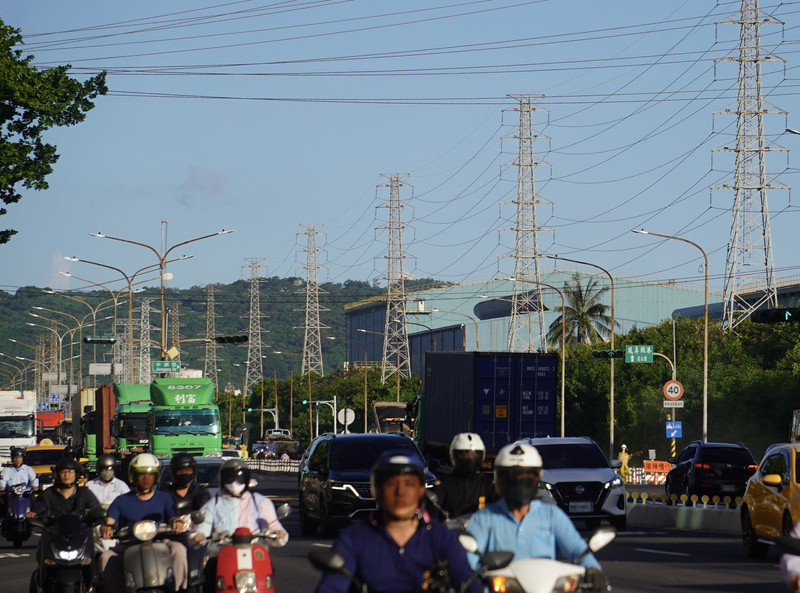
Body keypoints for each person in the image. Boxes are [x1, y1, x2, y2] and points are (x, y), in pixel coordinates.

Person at [315, 451, 482, 593]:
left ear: (421, 490)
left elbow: (469, 585)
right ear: (376, 489)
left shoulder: (442, 538)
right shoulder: (353, 539)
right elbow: (332, 586)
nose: (400, 492)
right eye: (390, 484)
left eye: (409, 484)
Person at [467, 442, 607, 590]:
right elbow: (468, 561)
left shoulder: (551, 515)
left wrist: (593, 569)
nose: (518, 484)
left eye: (525, 478)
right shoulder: (484, 517)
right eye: (510, 478)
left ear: (536, 479)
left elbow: (577, 550)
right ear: (499, 480)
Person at [192, 458, 288, 593]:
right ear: (223, 480)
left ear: (247, 480)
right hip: (222, 554)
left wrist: (278, 532)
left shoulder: (260, 502)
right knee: (210, 570)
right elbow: (201, 529)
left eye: (239, 478)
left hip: (256, 554)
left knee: (269, 569)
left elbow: (274, 525)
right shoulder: (212, 505)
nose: (234, 483)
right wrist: (198, 536)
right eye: (230, 478)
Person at [99, 453, 188, 592]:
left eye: (150, 474)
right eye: (141, 474)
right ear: (133, 476)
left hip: (160, 542)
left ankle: (178, 589)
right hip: (129, 545)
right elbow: (110, 521)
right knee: (106, 557)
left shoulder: (164, 498)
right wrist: (106, 528)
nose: (146, 478)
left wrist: (178, 523)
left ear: (156, 476)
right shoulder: (121, 500)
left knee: (179, 550)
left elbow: (174, 517)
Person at [432, 433, 496, 519]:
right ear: (454, 456)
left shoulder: (488, 486)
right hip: (451, 531)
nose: (469, 459)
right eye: (464, 455)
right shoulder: (444, 485)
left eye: (473, 456)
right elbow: (431, 514)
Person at [31, 458, 99, 519]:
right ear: (57, 475)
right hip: (54, 531)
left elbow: (96, 510)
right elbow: (37, 510)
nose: (66, 475)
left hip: (80, 531)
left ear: (77, 474)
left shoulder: (84, 493)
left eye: (71, 471)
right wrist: (33, 514)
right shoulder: (47, 494)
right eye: (63, 472)